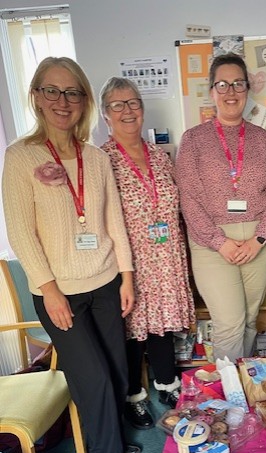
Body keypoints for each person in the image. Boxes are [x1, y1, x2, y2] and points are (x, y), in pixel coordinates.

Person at [2, 57, 138, 453]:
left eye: (73, 92)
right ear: (37, 97)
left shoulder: (96, 158)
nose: (62, 101)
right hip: (58, 291)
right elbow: (22, 232)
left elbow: (114, 220)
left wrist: (127, 276)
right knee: (91, 374)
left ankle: (109, 433)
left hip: (105, 282)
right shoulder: (20, 157)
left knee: (115, 368)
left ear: (83, 102)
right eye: (51, 91)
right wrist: (48, 290)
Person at [175, 53, 266, 362]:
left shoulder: (264, 139)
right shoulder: (193, 140)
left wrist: (260, 239)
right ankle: (228, 401)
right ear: (211, 91)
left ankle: (245, 385)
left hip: (258, 242)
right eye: (222, 84)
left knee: (250, 321)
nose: (230, 91)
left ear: (248, 89)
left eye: (238, 83)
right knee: (229, 324)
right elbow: (190, 198)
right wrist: (219, 242)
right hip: (212, 243)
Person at [99, 77, 195, 427]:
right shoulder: (102, 160)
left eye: (133, 103)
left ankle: (167, 383)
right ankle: (133, 396)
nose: (128, 111)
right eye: (117, 105)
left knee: (162, 327)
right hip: (130, 262)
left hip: (166, 255)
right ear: (105, 115)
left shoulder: (159, 155)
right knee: (131, 331)